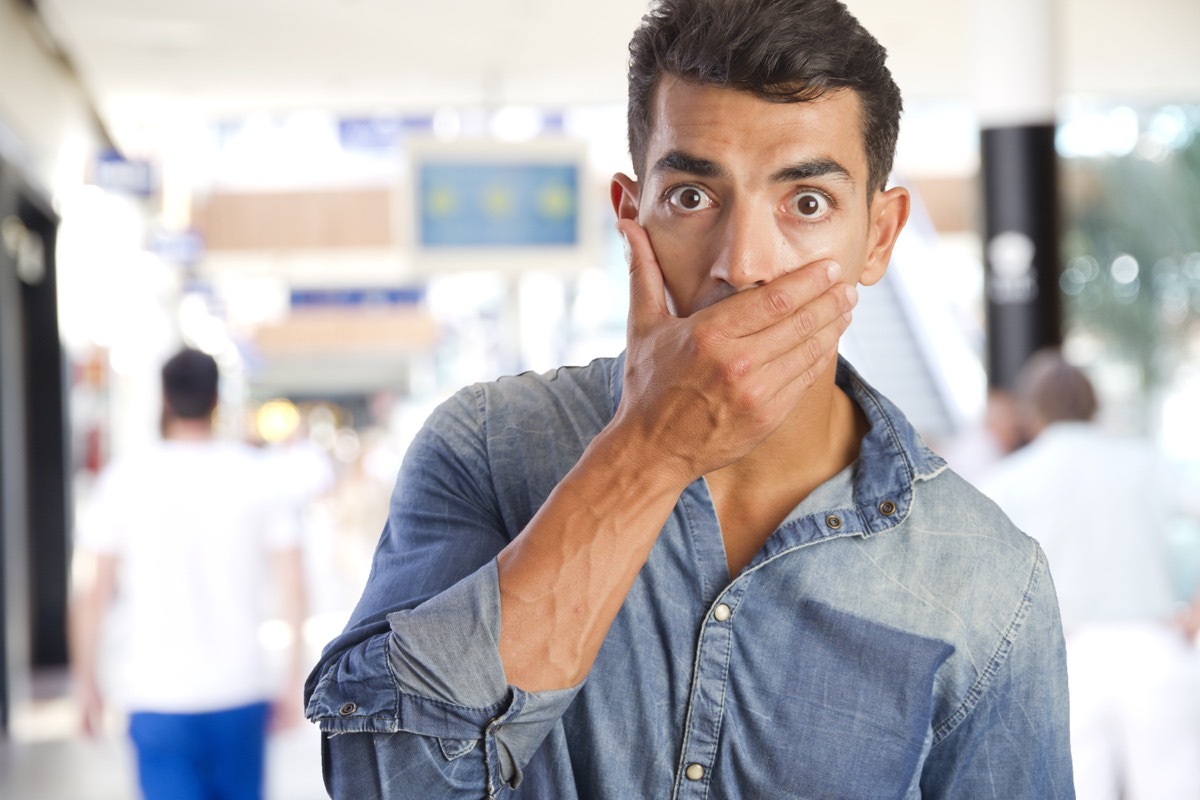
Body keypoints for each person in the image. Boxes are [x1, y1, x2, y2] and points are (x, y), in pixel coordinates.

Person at [305, 1, 1074, 797]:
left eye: (806, 203)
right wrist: (650, 451)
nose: (742, 265)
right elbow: (381, 779)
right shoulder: (487, 448)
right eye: (692, 198)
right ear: (631, 214)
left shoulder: (990, 579)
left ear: (879, 237)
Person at [70, 347, 309, 800]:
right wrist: (292, 675)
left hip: (155, 693)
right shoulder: (257, 477)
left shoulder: (123, 481)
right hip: (240, 687)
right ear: (217, 400)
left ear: (163, 399)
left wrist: (86, 684)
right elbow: (293, 585)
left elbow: (92, 593)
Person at [980, 348, 1200, 800]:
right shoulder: (1149, 463)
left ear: (1032, 412)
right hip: (1154, 647)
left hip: (1065, 656)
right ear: (1094, 404)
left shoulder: (1009, 480)